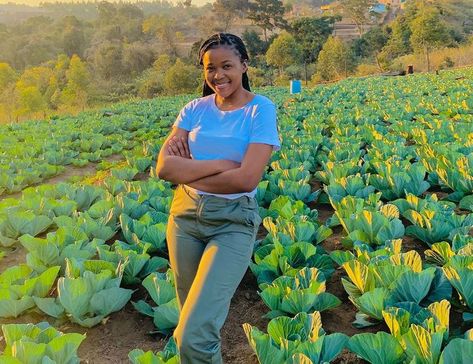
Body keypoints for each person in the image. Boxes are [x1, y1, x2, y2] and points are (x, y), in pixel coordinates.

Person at [156, 32, 280, 364]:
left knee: (193, 335)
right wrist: (219, 165)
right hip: (184, 219)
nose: (218, 75)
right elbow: (165, 168)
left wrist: (192, 168)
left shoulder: (260, 110)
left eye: (227, 66)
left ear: (244, 65)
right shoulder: (193, 109)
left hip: (233, 222)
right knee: (191, 327)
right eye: (210, 68)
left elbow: (247, 178)